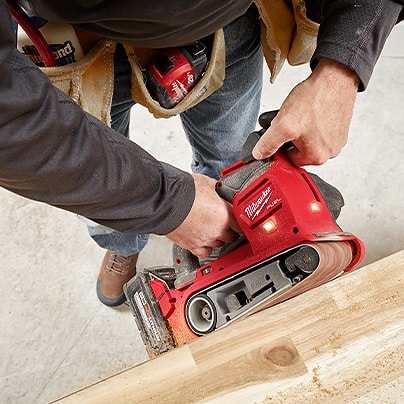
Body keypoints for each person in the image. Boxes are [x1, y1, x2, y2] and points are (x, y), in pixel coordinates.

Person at [1, 1, 403, 307]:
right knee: (97, 179)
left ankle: (221, 240)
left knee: (232, 163)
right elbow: (12, 125)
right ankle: (122, 247)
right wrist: (164, 204)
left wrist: (342, 69)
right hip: (70, 40)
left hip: (225, 24)